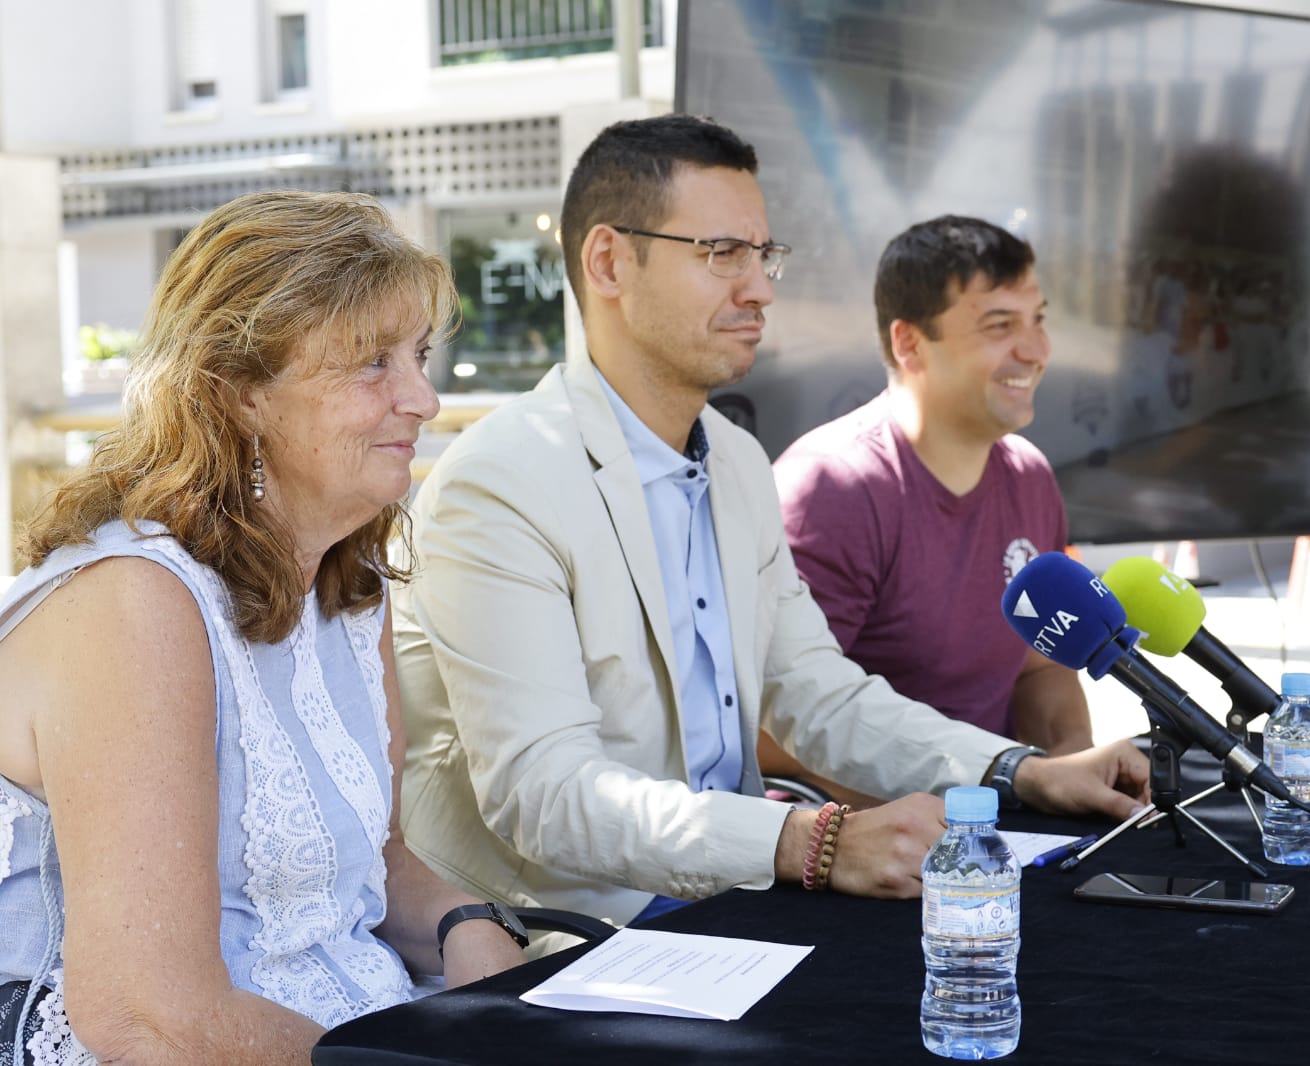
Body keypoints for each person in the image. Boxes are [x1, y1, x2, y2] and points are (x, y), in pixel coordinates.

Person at [393, 115, 1150, 933]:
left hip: (727, 906)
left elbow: (819, 697)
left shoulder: (739, 461)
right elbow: (542, 796)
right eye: (721, 254)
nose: (759, 289)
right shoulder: (503, 480)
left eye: (764, 255)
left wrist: (1021, 771)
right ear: (609, 261)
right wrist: (809, 843)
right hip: (556, 936)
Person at [0, 191, 529, 1065]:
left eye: (420, 356)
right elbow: (149, 1018)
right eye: (372, 365)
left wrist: (464, 923)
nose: (425, 400)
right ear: (239, 395)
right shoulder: (131, 604)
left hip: (363, 1030)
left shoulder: (345, 579)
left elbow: (374, 861)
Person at [763, 217, 1091, 801]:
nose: (1036, 351)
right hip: (860, 856)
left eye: (1037, 320)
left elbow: (1042, 667)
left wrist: (1069, 773)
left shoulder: (1030, 477)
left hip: (996, 834)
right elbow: (770, 725)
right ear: (909, 343)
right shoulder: (830, 489)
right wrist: (1010, 781)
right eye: (1000, 326)